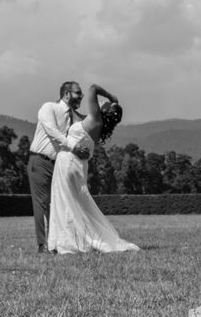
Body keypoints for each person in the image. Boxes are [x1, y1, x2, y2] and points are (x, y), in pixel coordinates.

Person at [47, 84, 139, 254]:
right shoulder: (97, 125)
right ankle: (74, 239)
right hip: (79, 167)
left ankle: (70, 242)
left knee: (65, 201)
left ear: (105, 110)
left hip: (68, 163)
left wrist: (112, 97)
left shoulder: (95, 118)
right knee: (74, 202)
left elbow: (92, 88)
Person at [27, 81, 90, 253]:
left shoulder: (76, 117)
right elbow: (52, 131)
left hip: (59, 164)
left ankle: (56, 242)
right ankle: (43, 245)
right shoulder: (48, 108)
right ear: (66, 94)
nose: (81, 96)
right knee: (41, 203)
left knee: (57, 204)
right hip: (39, 161)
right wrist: (75, 147)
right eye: (78, 93)